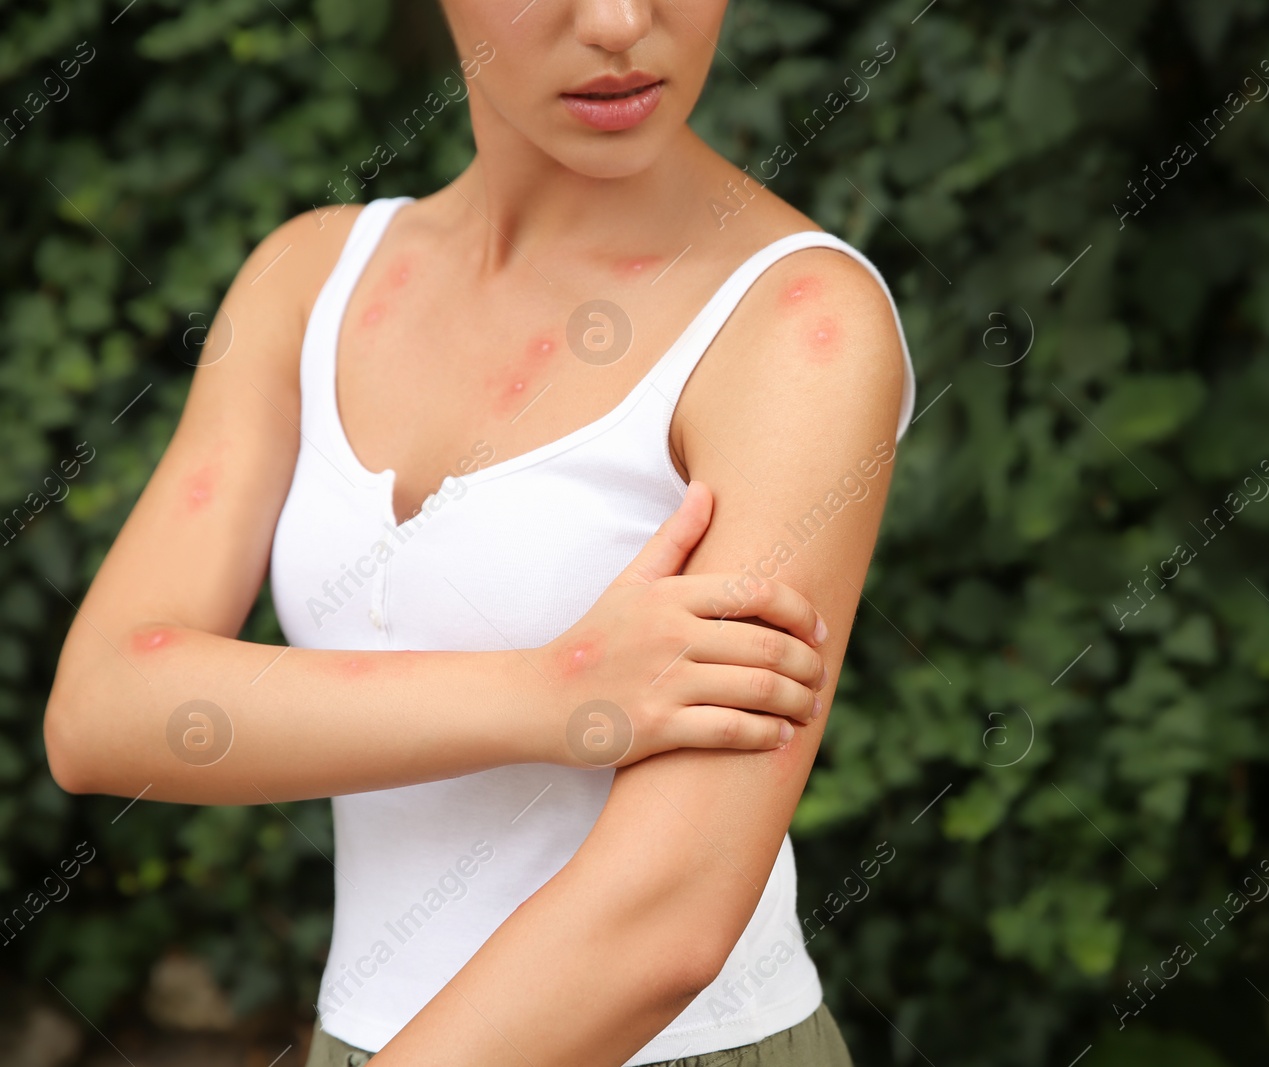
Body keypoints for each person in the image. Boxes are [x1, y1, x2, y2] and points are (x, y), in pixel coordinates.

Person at [43, 1, 916, 1064]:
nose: (618, 21)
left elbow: (666, 920)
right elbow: (101, 709)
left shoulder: (796, 326)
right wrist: (555, 691)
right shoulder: (310, 279)